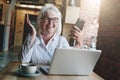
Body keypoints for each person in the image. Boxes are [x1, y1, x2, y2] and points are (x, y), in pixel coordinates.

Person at [18, 3, 82, 64]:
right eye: (47, 19)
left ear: (58, 23)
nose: (50, 23)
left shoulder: (61, 41)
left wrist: (79, 44)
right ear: (40, 21)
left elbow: (70, 61)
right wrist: (33, 35)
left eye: (54, 19)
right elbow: (23, 61)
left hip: (54, 75)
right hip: (35, 74)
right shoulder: (31, 37)